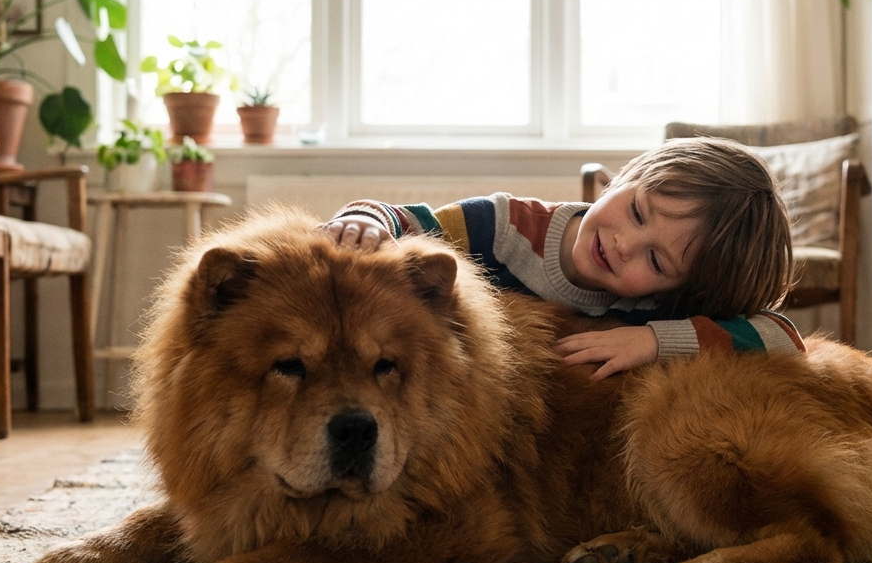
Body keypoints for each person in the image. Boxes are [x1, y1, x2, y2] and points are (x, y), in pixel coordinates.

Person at [322, 136, 802, 380]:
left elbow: (782, 337)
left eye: (655, 262)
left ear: (677, 289)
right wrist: (368, 220)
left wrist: (653, 341)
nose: (624, 244)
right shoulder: (502, 225)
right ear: (622, 178)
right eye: (636, 212)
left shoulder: (661, 310)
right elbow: (408, 222)